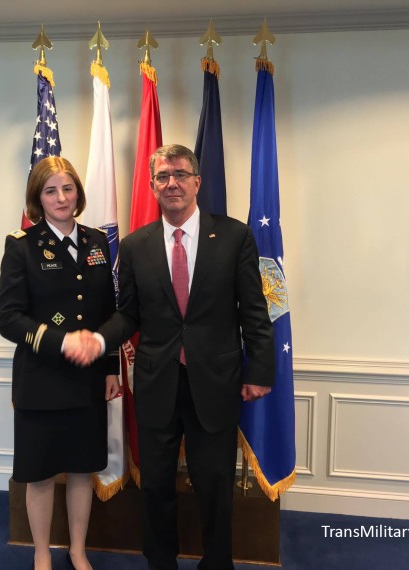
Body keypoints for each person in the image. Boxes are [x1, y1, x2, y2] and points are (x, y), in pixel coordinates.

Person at [69, 144, 275, 570]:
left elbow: (254, 311)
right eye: (163, 177)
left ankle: (217, 564)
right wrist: (98, 339)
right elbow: (127, 315)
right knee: (157, 487)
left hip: (215, 384)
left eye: (181, 174)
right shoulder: (135, 245)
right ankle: (160, 563)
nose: (172, 183)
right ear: (152, 187)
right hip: (156, 383)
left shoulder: (234, 236)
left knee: (214, 485)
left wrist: (259, 371)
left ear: (197, 182)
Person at [0, 156, 120, 570]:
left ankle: (78, 550)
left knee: (83, 471)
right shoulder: (21, 246)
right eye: (51, 191)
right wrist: (60, 341)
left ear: (78, 192)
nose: (61, 197)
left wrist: (110, 368)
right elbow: (8, 318)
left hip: (87, 380)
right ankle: (42, 552)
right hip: (41, 379)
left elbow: (108, 312)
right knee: (41, 473)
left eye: (67, 188)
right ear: (38, 198)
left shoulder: (97, 242)